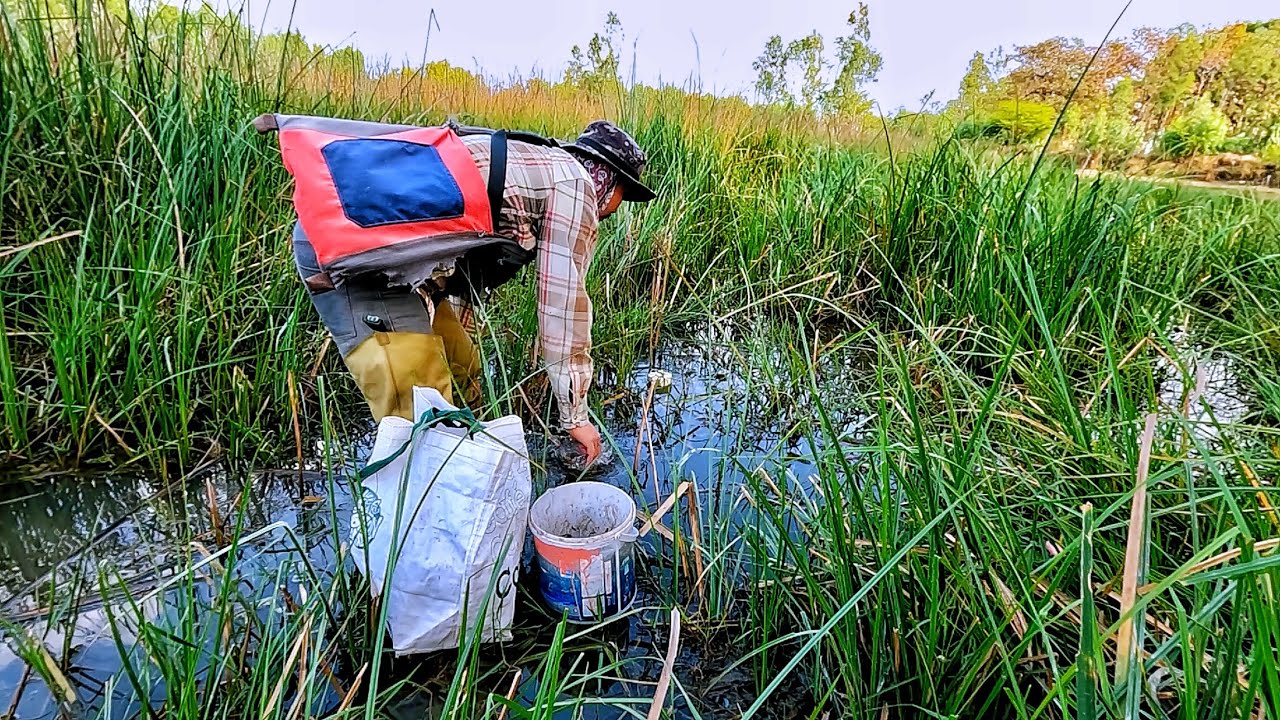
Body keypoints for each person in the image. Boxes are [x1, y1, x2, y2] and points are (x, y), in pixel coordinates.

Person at [292, 120, 655, 465]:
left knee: (464, 367)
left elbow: (459, 261)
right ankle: (426, 511)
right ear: (607, 177)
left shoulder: (532, 162)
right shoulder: (576, 184)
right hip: (357, 256)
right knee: (425, 414)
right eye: (625, 194)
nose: (617, 207)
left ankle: (471, 463)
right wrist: (575, 417)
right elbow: (561, 304)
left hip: (392, 252)